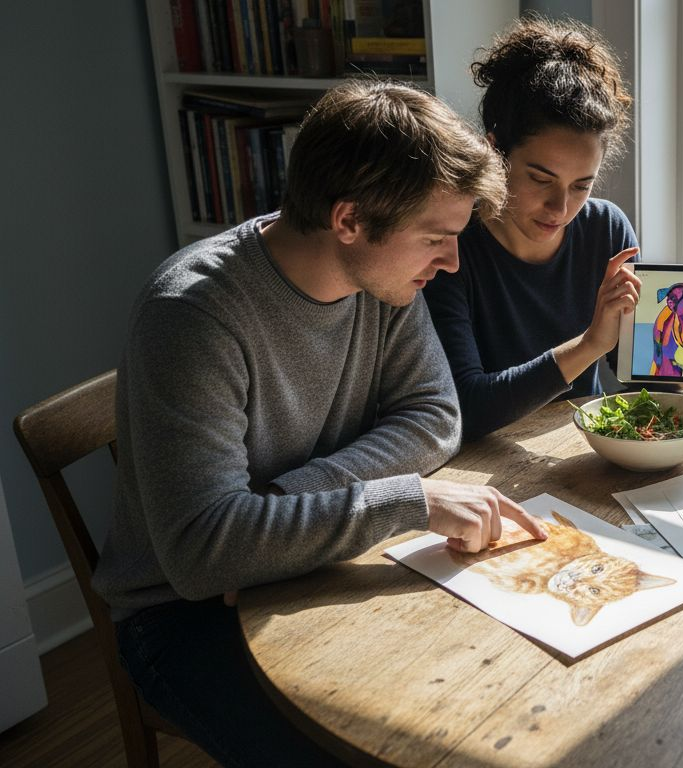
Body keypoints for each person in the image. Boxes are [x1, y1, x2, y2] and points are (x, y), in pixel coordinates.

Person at [92, 80, 547, 767]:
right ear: (349, 221)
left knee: (489, 701)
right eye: (436, 238)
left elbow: (433, 417)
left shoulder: (387, 280)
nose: (451, 261)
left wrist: (277, 511)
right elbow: (200, 554)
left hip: (307, 557)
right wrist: (408, 500)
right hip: (185, 615)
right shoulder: (192, 315)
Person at [423, 16, 645, 441]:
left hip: (576, 452)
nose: (561, 207)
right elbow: (465, 406)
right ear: (493, 152)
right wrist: (588, 346)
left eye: (582, 185)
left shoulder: (606, 229)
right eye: (541, 179)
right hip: (485, 467)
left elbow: (635, 370)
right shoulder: (449, 247)